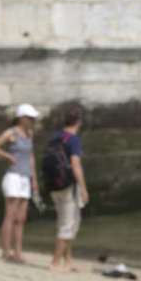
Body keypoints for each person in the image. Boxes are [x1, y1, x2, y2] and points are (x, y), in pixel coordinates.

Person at [0, 103, 40, 264]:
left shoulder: (29, 133)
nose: (32, 121)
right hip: (13, 177)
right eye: (30, 118)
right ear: (21, 118)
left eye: (33, 118)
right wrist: (7, 156)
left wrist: (34, 179)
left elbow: (31, 157)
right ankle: (5, 251)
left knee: (21, 218)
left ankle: (17, 252)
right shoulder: (11, 133)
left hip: (24, 178)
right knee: (10, 216)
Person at [45, 106, 88, 272]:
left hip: (54, 186)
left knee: (65, 221)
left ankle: (68, 259)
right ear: (79, 122)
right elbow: (75, 164)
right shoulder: (73, 139)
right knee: (68, 224)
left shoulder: (55, 138)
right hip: (69, 186)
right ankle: (55, 263)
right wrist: (83, 188)